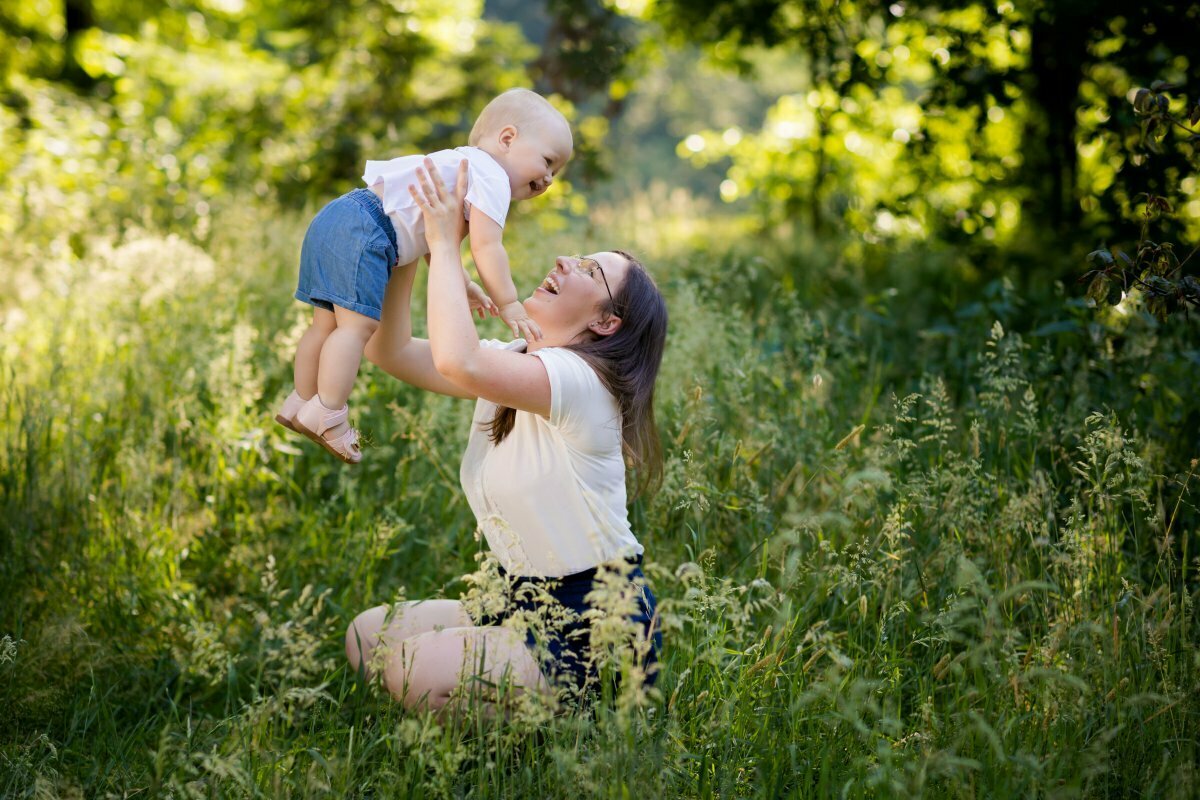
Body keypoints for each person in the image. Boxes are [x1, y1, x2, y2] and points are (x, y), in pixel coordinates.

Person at [344, 158, 668, 713]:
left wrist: (446, 245)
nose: (565, 261)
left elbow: (459, 360)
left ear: (605, 322)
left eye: (589, 270)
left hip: (595, 624)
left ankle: (564, 735)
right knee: (368, 635)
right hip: (518, 599)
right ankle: (503, 711)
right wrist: (410, 243)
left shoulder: (584, 382)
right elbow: (388, 350)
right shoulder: (514, 360)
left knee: (408, 667)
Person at [275, 89, 574, 464]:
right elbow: (487, 247)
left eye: (556, 172)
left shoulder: (460, 163)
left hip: (340, 214)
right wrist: (509, 303)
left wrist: (465, 284)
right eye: (548, 161)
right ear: (508, 138)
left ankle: (300, 401)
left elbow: (434, 239)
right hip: (368, 230)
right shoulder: (493, 178)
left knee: (324, 325)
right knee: (355, 329)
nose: (548, 178)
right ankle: (328, 413)